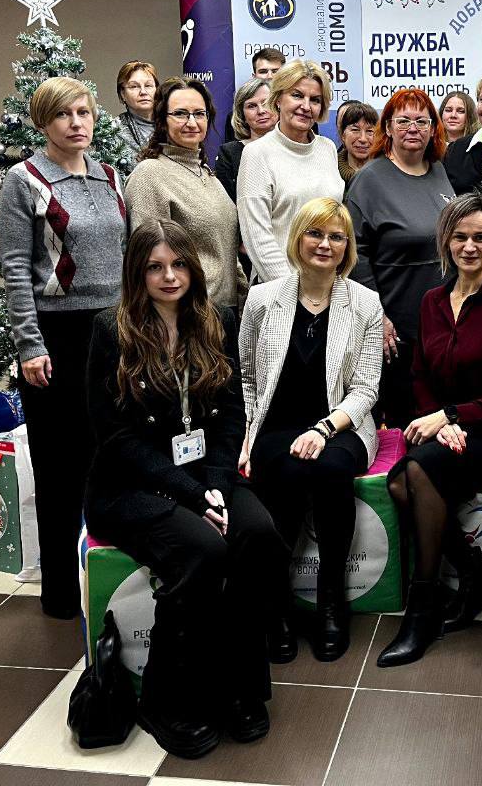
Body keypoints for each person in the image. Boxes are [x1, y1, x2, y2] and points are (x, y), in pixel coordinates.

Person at [84, 219, 287, 757]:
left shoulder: (216, 319)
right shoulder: (112, 330)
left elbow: (231, 415)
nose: (169, 276)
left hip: (206, 477)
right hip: (131, 485)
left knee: (259, 536)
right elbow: (116, 438)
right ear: (137, 273)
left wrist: (215, 487)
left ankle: (239, 689)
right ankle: (165, 700)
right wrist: (194, 497)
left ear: (194, 268)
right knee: (202, 551)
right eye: (155, 267)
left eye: (178, 264)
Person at [377, 193, 482, 668]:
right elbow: (420, 374)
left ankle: (421, 607)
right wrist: (439, 421)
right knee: (399, 482)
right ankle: (475, 575)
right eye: (460, 236)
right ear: (446, 241)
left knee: (413, 476)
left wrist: (451, 417)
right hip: (446, 428)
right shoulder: (431, 301)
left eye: (480, 237)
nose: (469, 246)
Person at [0, 77, 126, 620]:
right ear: (43, 123)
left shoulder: (110, 176)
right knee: (59, 467)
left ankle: (111, 581)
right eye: (64, 115)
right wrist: (30, 345)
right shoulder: (24, 180)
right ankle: (60, 594)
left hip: (113, 332)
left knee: (111, 456)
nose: (77, 123)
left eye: (84, 112)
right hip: (56, 337)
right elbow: (15, 269)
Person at [239, 199, 384, 663]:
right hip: (276, 424)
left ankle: (331, 602)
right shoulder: (263, 298)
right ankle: (277, 607)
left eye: (336, 237)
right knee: (280, 471)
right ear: (297, 239)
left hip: (341, 423)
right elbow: (247, 377)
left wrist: (323, 430)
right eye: (315, 233)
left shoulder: (365, 303)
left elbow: (366, 388)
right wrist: (248, 435)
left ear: (347, 247)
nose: (325, 244)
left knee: (330, 470)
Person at [346, 89, 455, 428]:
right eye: (403, 120)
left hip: (441, 326)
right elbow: (355, 254)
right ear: (388, 128)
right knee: (403, 426)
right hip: (395, 330)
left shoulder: (438, 172)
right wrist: (378, 317)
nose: (413, 128)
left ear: (433, 129)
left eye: (422, 121)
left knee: (439, 422)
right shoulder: (369, 179)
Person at [125, 77, 246, 309]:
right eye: (180, 114)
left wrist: (243, 295)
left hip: (224, 311)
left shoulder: (207, 174)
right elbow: (149, 261)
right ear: (162, 120)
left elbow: (225, 251)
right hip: (184, 314)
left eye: (199, 114)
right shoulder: (150, 174)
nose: (192, 122)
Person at [237, 60, 344, 283]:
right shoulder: (257, 153)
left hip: (325, 285)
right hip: (278, 287)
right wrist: (295, 293)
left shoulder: (327, 149)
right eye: (297, 95)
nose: (306, 106)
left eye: (315, 100)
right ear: (278, 99)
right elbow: (257, 237)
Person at [214, 78, 275, 204]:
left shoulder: (295, 146)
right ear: (242, 115)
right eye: (251, 106)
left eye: (266, 103)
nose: (261, 111)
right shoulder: (229, 153)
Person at [114, 60, 159, 162]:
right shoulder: (114, 130)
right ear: (122, 94)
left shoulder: (171, 124)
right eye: (134, 86)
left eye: (148, 86)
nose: (143, 92)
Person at [337, 101, 379, 182]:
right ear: (343, 135)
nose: (363, 139)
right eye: (355, 130)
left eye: (369, 131)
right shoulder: (330, 171)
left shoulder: (389, 171)